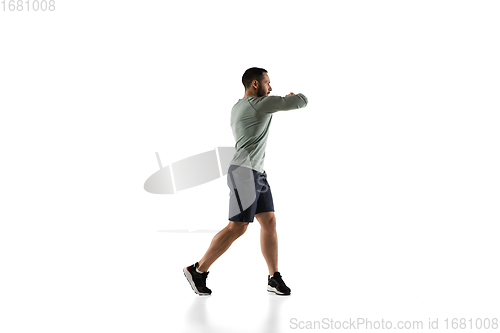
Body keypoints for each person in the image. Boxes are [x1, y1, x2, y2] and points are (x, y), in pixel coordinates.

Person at [183, 67, 308, 296]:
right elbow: (302, 101)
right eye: (268, 83)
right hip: (244, 173)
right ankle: (198, 270)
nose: (271, 88)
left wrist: (279, 101)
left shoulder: (239, 106)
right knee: (237, 227)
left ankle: (273, 277)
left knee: (269, 222)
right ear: (255, 84)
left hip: (256, 172)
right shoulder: (258, 104)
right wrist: (288, 99)